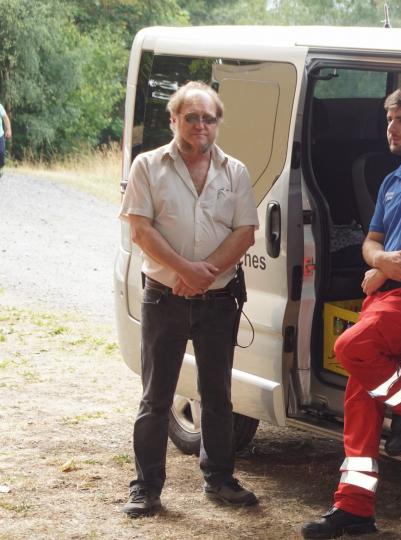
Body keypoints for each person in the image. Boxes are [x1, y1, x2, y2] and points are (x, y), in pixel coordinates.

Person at [301, 86, 401, 539]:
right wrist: (380, 260)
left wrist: (387, 266)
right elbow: (370, 242)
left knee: (350, 347)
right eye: (389, 119)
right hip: (386, 294)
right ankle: (354, 507)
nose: (392, 128)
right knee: (360, 401)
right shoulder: (391, 181)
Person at [118, 81, 260, 517]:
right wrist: (185, 269)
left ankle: (219, 479)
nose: (201, 125)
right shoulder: (148, 165)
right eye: (192, 117)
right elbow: (141, 230)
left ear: (218, 123)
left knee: (217, 396)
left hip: (219, 300)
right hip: (165, 298)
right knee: (155, 397)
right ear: (174, 120)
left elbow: (245, 232)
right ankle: (146, 488)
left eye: (209, 118)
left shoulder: (235, 171)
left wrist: (204, 272)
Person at [0, 100, 11, 177]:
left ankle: (0, 167)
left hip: (0, 135)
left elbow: (5, 118)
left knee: (1, 152)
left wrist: (8, 129)